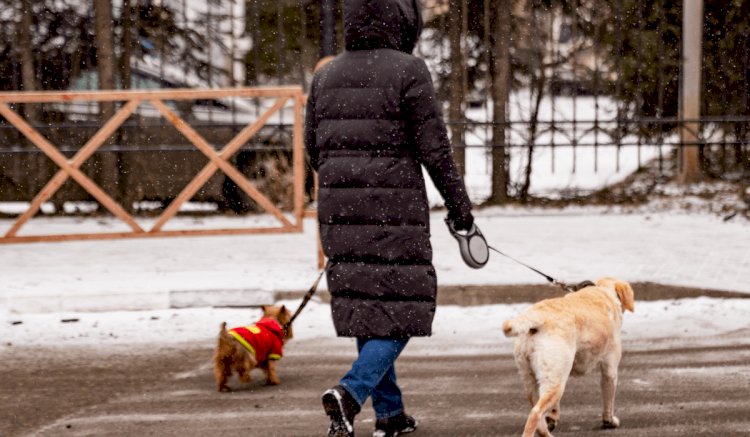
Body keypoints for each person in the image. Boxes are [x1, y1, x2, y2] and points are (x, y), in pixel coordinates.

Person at [304, 0, 474, 435]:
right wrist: (460, 210)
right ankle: (351, 391)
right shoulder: (408, 70)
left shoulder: (325, 74)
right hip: (393, 209)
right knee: (404, 309)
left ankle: (390, 415)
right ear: (402, 21)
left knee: (370, 308)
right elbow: (435, 150)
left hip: (339, 210)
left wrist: (347, 184)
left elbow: (312, 148)